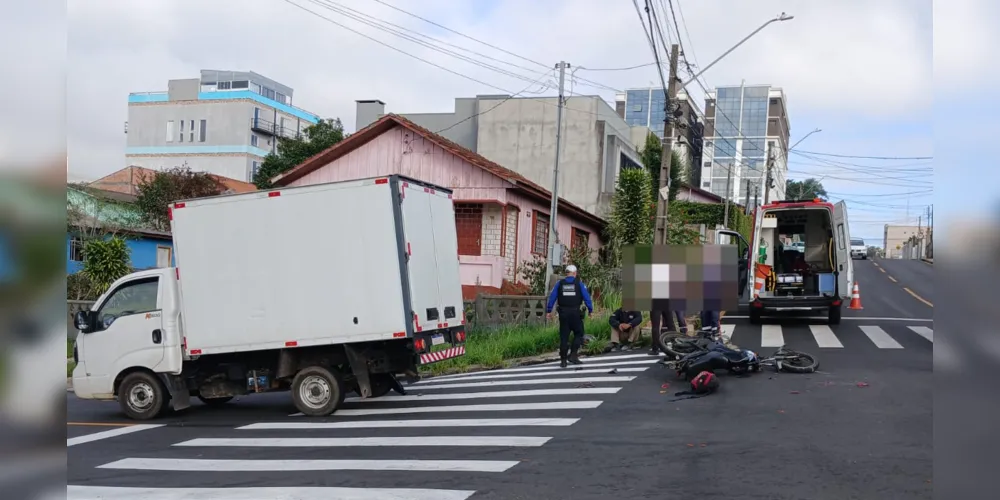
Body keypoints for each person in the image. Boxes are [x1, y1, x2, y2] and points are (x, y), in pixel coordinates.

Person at [546, 265, 594, 368]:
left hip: (563, 314)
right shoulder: (579, 284)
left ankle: (563, 361)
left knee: (564, 337)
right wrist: (590, 310)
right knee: (579, 333)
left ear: (566, 273)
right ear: (575, 273)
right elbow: (587, 298)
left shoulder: (559, 284)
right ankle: (573, 355)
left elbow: (552, 297)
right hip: (575, 313)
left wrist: (549, 310)